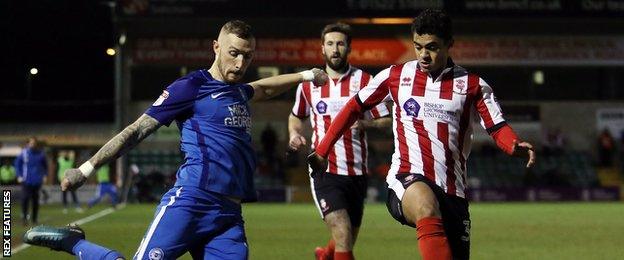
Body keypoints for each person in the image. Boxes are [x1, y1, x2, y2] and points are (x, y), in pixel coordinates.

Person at [24, 20, 328, 260]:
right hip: (192, 200)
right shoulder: (192, 86)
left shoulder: (239, 91)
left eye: (247, 56)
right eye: (233, 52)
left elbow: (264, 87)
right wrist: (85, 169)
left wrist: (305, 75)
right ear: (216, 47)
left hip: (229, 214)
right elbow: (136, 130)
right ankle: (75, 243)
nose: (240, 62)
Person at [307, 10, 536, 260]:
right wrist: (322, 151)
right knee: (426, 206)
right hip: (407, 179)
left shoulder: (472, 86)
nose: (423, 55)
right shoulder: (396, 76)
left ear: (450, 44)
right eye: (418, 47)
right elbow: (353, 107)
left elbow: (497, 126)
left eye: (432, 47)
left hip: (452, 191)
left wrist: (513, 144)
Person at [288, 22, 391, 260]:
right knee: (342, 233)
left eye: (341, 44)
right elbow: (296, 116)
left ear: (349, 48)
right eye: (330, 44)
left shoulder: (365, 81)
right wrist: (294, 134)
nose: (335, 49)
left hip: (357, 172)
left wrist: (367, 124)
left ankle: (325, 256)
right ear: (322, 48)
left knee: (346, 237)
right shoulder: (308, 85)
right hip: (325, 170)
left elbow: (386, 121)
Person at [15, 137, 48, 226]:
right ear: (28, 144)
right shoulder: (24, 153)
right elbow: (17, 164)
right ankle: (24, 218)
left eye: (34, 143)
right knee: (25, 199)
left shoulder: (41, 154)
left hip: (37, 181)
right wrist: (19, 175)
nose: (32, 145)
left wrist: (45, 175)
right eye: (31, 143)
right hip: (26, 181)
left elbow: (45, 166)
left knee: (35, 201)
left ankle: (34, 219)